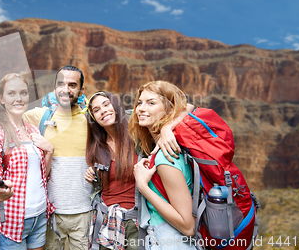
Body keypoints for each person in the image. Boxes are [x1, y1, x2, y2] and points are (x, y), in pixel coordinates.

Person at [83, 91, 194, 250]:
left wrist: (167, 129)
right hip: (107, 221)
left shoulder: (138, 132)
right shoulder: (96, 146)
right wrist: (93, 176)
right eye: (96, 110)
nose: (103, 111)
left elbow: (188, 107)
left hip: (136, 222)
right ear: (93, 118)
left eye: (106, 104)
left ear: (115, 105)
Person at [18, 65, 92, 250]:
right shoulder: (40, 116)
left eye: (72, 85)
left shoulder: (92, 120)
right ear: (54, 88)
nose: (66, 89)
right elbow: (2, 119)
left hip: (84, 212)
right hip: (49, 213)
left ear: (81, 90)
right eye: (61, 84)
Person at [0, 73, 55, 250]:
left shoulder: (33, 130)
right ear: (2, 98)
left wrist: (50, 151)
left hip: (40, 215)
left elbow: (41, 174)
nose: (18, 98)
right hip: (12, 220)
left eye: (23, 93)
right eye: (11, 93)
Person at [130, 81, 196, 250]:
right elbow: (188, 106)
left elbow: (188, 227)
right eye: (139, 103)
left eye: (151, 103)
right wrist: (169, 126)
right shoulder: (161, 148)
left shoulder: (166, 158)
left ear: (169, 109)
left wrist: (143, 186)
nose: (141, 109)